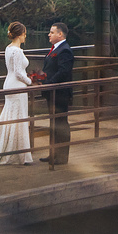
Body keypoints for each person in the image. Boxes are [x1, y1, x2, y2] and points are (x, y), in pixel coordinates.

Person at [0, 21, 34, 166]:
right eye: (24, 34)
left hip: (9, 83)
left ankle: (13, 148)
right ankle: (18, 152)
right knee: (19, 115)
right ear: (20, 34)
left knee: (11, 114)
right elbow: (18, 72)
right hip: (17, 84)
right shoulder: (17, 51)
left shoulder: (8, 48)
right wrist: (30, 81)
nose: (25, 37)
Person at [39, 22, 74, 166]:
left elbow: (63, 72)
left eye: (52, 32)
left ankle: (62, 157)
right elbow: (50, 67)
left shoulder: (65, 50)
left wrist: (49, 83)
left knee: (61, 124)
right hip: (52, 92)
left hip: (60, 93)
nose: (49, 34)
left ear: (60, 34)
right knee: (53, 124)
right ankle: (53, 153)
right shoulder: (55, 49)